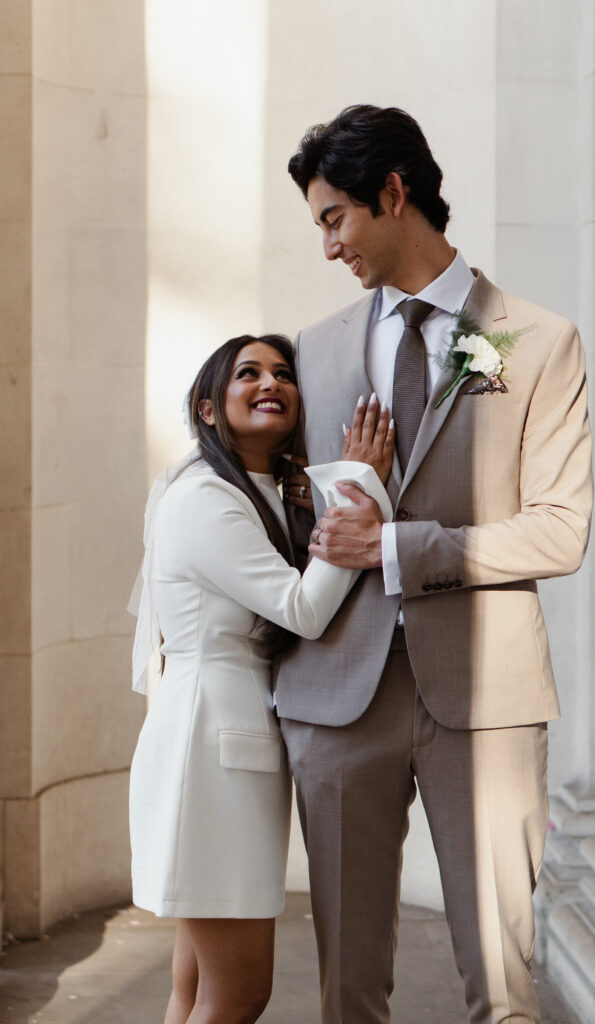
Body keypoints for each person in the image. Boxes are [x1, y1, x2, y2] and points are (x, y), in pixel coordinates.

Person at [276, 105, 593, 1023]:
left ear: (394, 192)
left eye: (335, 218)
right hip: (337, 699)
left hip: (486, 702)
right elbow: (286, 514)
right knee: (347, 992)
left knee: (502, 986)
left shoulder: (531, 341)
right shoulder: (317, 348)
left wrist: (396, 548)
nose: (329, 246)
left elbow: (559, 531)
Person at [128, 333, 394, 1024]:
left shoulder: (256, 491)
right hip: (213, 750)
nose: (270, 381)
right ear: (209, 409)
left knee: (194, 994)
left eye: (282, 372)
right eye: (247, 373)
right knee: (240, 995)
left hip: (217, 738)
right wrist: (358, 489)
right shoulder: (206, 500)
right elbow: (303, 609)